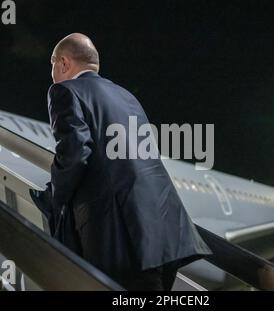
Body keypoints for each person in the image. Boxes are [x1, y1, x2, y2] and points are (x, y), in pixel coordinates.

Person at [30, 33, 212, 291]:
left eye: (52, 67)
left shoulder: (64, 91)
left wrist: (54, 198)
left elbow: (75, 152)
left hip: (120, 237)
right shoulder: (127, 97)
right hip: (164, 234)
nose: (52, 75)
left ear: (63, 62)